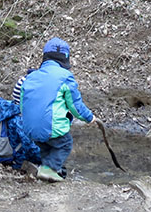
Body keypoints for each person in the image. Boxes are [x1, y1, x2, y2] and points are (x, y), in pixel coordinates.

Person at [13, 38, 97, 182]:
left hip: (29, 128)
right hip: (50, 127)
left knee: (46, 146)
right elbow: (75, 106)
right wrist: (89, 118)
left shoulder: (31, 76)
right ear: (66, 59)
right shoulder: (65, 77)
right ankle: (49, 169)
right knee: (65, 144)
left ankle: (48, 169)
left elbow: (22, 103)